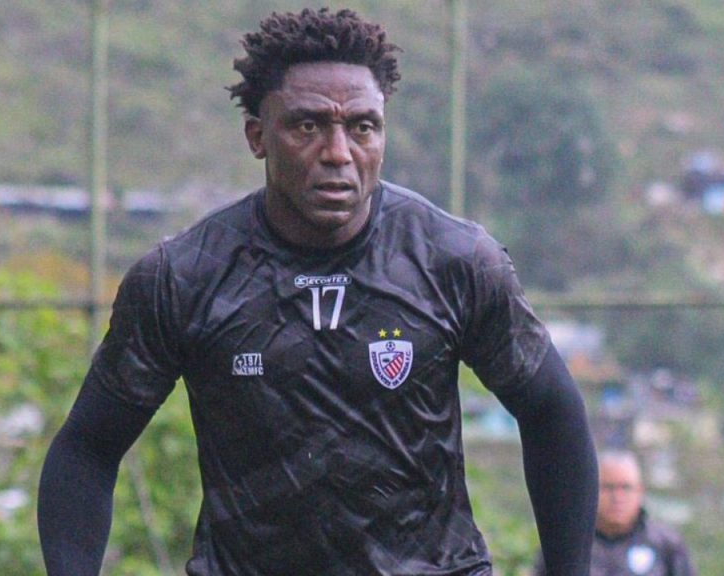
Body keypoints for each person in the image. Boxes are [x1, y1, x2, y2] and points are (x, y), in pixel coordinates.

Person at [38, 7, 597, 575]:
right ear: (257, 136)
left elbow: (553, 414)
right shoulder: (184, 276)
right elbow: (87, 448)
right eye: (307, 127)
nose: (338, 153)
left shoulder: (454, 259)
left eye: (362, 127)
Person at [534, 450, 696, 576]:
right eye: (608, 487)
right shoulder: (567, 543)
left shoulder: (667, 545)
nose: (617, 497)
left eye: (626, 488)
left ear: (640, 491)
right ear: (590, 489)